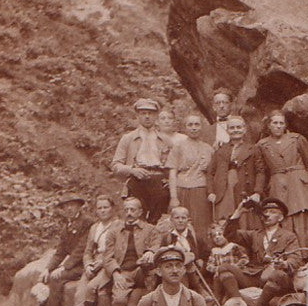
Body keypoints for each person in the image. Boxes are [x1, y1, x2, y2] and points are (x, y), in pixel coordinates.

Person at [101, 196, 161, 306]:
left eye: (133, 210)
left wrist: (151, 252)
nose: (129, 213)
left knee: (145, 296)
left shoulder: (150, 229)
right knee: (119, 299)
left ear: (140, 212)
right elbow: (107, 257)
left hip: (142, 271)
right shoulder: (114, 231)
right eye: (126, 210)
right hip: (123, 273)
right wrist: (115, 273)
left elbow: (156, 245)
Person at [225, 195, 302, 306]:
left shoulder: (289, 236)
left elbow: (295, 259)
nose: (267, 215)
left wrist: (284, 264)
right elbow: (230, 235)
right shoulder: (255, 234)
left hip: (277, 278)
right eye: (265, 212)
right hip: (256, 276)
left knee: (278, 274)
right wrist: (238, 212)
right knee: (224, 268)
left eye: (272, 212)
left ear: (280, 217)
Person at [254, 111, 308, 245]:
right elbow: (261, 171)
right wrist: (258, 190)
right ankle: (289, 251)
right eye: (275, 123)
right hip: (278, 184)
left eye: (281, 123)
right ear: (269, 125)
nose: (278, 126)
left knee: (306, 215)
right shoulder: (261, 145)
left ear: (285, 125)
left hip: (300, 184)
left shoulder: (297, 139)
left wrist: (303, 180)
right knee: (283, 215)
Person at [28, 196, 89, 306]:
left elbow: (82, 249)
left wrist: (64, 267)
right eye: (66, 206)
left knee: (57, 278)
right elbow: (60, 252)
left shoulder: (87, 223)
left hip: (85, 264)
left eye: (72, 205)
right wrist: (48, 269)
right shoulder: (67, 226)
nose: (69, 209)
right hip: (74, 264)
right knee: (45, 277)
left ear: (79, 206)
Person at [61, 196, 118, 306]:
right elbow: (87, 251)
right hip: (93, 262)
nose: (103, 211)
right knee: (79, 291)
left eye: (106, 207)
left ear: (112, 209)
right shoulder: (94, 228)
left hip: (109, 262)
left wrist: (102, 262)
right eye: (100, 208)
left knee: (90, 288)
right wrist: (87, 265)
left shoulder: (118, 226)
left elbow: (118, 250)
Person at [111, 99, 171, 224]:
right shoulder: (128, 138)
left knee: (158, 220)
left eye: (151, 113)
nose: (147, 116)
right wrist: (132, 170)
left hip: (159, 182)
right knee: (136, 220)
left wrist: (170, 180)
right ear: (138, 115)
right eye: (143, 113)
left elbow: (174, 165)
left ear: (156, 116)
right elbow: (115, 165)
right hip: (137, 182)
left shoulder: (165, 139)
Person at [167, 113, 213, 245]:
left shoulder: (209, 149)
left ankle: (201, 253)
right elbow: (172, 172)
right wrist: (173, 197)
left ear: (202, 127)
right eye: (190, 125)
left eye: (197, 124)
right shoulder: (178, 146)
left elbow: (211, 174)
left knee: (200, 226)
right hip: (182, 190)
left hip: (201, 190)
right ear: (185, 128)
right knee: (180, 223)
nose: (193, 128)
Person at [206, 115, 260, 227]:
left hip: (244, 189)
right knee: (225, 223)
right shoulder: (220, 150)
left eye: (238, 127)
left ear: (244, 129)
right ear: (227, 130)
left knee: (245, 222)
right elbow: (210, 173)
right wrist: (211, 192)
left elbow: (261, 171)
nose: (235, 130)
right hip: (225, 191)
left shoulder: (253, 149)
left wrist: (257, 192)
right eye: (232, 128)